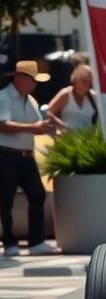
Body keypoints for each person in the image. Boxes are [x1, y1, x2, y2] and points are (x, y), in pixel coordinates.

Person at [0, 61, 60, 256]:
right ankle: (9, 242)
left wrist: (45, 126)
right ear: (19, 78)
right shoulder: (3, 97)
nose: (34, 84)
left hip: (26, 156)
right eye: (32, 80)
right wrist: (34, 128)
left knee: (37, 194)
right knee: (5, 199)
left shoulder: (31, 100)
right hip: (6, 155)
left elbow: (35, 124)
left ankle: (36, 241)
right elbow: (4, 125)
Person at [47, 64, 97, 132]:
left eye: (90, 82)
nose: (87, 85)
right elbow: (48, 112)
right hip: (67, 139)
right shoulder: (66, 94)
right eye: (84, 81)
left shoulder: (93, 96)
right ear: (75, 79)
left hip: (87, 139)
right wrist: (62, 126)